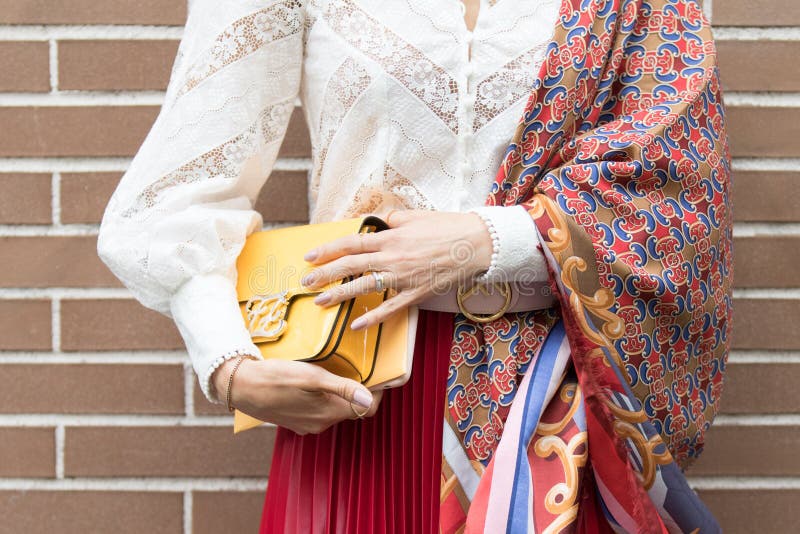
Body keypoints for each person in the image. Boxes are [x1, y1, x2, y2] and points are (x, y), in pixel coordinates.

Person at [97, 0, 732, 532]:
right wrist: (228, 365)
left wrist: (489, 241)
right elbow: (179, 193)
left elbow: (681, 190)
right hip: (360, 392)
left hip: (559, 399)